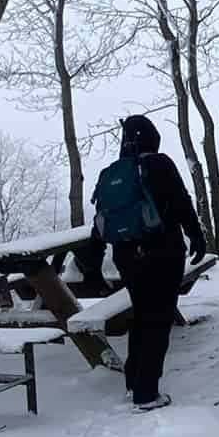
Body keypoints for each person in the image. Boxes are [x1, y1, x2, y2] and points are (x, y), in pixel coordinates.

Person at [89, 114, 206, 411]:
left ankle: (134, 382)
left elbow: (100, 221)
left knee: (141, 315)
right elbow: (181, 202)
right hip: (162, 252)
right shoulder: (159, 163)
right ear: (152, 138)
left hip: (126, 256)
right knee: (158, 318)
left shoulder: (111, 173)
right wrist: (196, 236)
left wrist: (93, 261)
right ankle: (146, 393)